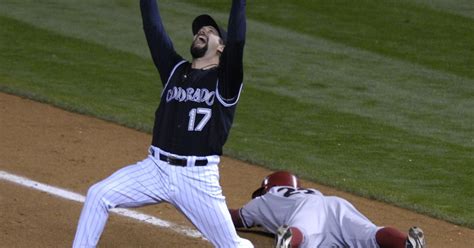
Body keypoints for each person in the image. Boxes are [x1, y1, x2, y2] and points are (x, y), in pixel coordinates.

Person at [72, 0, 252, 247]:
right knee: (98, 194)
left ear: (222, 47)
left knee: (232, 244)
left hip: (196, 178)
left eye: (211, 32)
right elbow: (153, 29)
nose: (202, 32)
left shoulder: (226, 81)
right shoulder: (174, 70)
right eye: (200, 30)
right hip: (155, 169)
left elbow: (238, 42)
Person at [229, 171, 426, 248]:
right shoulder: (309, 192)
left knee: (304, 233)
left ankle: (289, 239)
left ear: (266, 187)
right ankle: (407, 242)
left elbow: (235, 218)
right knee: (370, 233)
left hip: (305, 212)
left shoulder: (264, 199)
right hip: (335, 204)